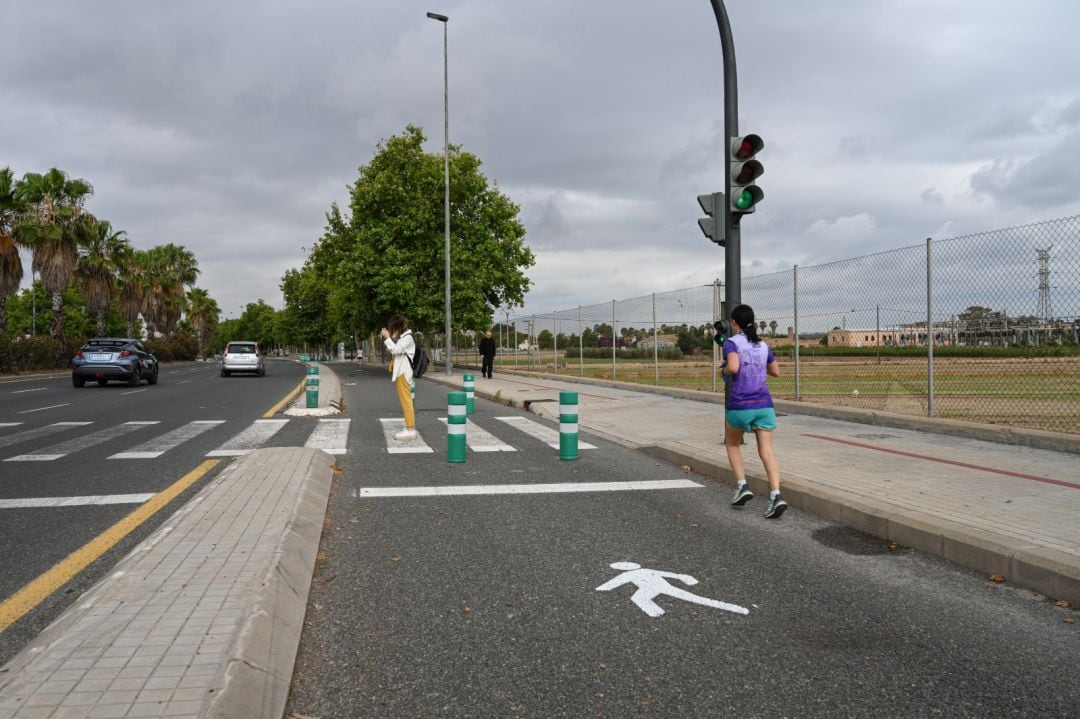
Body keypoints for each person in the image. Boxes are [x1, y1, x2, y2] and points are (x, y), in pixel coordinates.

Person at [722, 304, 787, 519]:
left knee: (732, 443)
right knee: (767, 452)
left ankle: (742, 486)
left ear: (734, 322)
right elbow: (776, 372)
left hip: (740, 405)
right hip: (765, 406)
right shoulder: (763, 345)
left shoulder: (732, 343)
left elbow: (732, 368)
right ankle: (776, 495)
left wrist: (722, 369)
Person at [380, 314, 417, 441]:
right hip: (402, 372)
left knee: (406, 401)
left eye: (392, 328)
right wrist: (391, 337)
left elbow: (395, 350)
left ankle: (411, 430)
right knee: (406, 400)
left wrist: (387, 338)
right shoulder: (405, 337)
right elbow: (396, 349)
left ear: (397, 327)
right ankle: (409, 427)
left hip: (404, 372)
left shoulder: (408, 338)